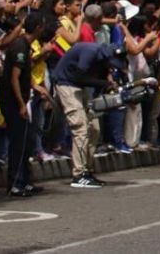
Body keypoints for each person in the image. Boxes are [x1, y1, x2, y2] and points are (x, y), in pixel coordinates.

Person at [52, 42, 125, 188]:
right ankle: (78, 174)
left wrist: (106, 84)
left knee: (94, 129)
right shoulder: (90, 52)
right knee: (80, 128)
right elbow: (79, 76)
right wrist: (103, 83)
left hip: (81, 88)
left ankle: (87, 169)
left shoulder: (102, 61)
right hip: (67, 84)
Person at [0, 14, 45, 197]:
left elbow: (23, 76)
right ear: (38, 28)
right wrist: (21, 104)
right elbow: (14, 78)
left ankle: (26, 181)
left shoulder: (25, 46)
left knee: (27, 142)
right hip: (12, 101)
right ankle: (15, 183)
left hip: (22, 99)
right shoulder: (19, 46)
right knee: (18, 143)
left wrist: (35, 86)